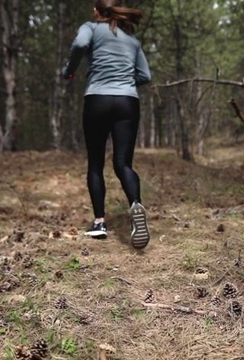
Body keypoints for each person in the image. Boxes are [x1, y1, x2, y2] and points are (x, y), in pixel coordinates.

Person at [62, 0, 152, 249]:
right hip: (127, 101)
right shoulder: (132, 41)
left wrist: (69, 70)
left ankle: (99, 223)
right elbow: (145, 75)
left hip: (98, 99)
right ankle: (135, 205)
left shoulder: (90, 28)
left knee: (96, 162)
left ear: (97, 11)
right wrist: (124, 80)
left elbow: (79, 44)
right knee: (123, 163)